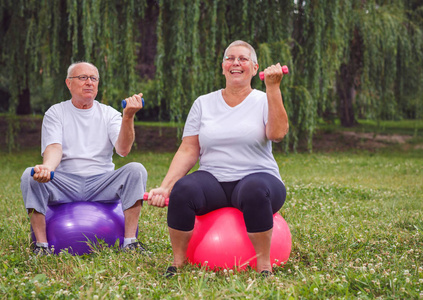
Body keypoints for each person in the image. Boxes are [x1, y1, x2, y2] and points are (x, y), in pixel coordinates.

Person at [146, 40, 289, 276]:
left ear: (255, 68)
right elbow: (188, 149)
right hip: (213, 179)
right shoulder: (203, 103)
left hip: (258, 176)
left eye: (243, 59)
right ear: (223, 67)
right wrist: (165, 187)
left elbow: (277, 134)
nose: (236, 63)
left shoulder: (264, 100)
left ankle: (264, 265)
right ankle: (178, 262)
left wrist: (273, 88)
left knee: (255, 189)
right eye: (230, 58)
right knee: (183, 190)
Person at [21, 62, 148, 256]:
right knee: (29, 175)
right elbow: (54, 147)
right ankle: (41, 246)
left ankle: (130, 242)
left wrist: (128, 117)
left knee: (136, 169)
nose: (89, 82)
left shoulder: (109, 114)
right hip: (65, 183)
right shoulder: (56, 112)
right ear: (69, 83)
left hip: (101, 183)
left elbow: (123, 149)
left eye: (93, 78)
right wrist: (46, 168)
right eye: (82, 78)